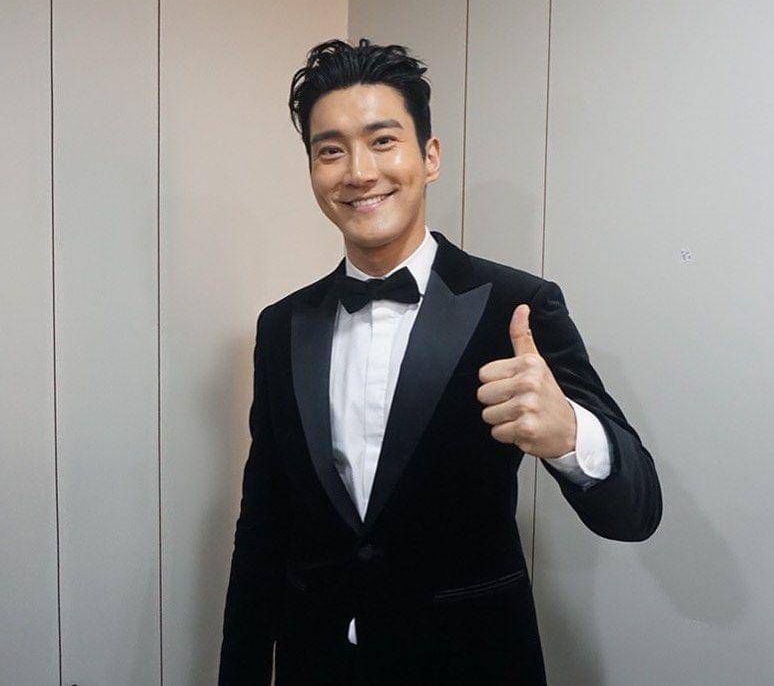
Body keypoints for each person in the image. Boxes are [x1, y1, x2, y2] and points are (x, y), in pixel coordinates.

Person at [218, 38, 662, 685]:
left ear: (429, 157)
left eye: (382, 141)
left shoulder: (517, 306)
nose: (358, 172)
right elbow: (263, 526)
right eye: (330, 150)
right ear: (312, 169)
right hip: (319, 664)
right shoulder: (283, 325)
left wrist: (571, 436)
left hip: (471, 664)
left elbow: (637, 509)